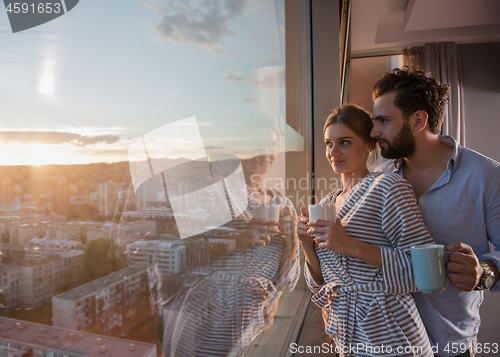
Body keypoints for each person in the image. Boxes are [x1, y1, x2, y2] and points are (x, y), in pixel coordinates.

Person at [370, 67, 499, 357]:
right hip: (387, 342)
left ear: (418, 120)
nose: (373, 132)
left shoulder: (486, 175)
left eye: (383, 121)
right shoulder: (377, 178)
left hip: (450, 343)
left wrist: (485, 272)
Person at [149, 111, 299, 357]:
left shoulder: (284, 205)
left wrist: (292, 241)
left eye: (270, 143)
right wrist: (234, 241)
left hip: (258, 327)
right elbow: (168, 260)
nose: (264, 150)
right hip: (205, 325)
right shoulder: (209, 193)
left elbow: (289, 282)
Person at [297, 104, 434, 356]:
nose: (333, 152)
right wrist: (307, 245)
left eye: (345, 142)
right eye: (329, 143)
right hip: (346, 335)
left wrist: (351, 246)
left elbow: (425, 272)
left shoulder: (388, 187)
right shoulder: (326, 204)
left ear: (370, 145)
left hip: (390, 332)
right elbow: (322, 286)